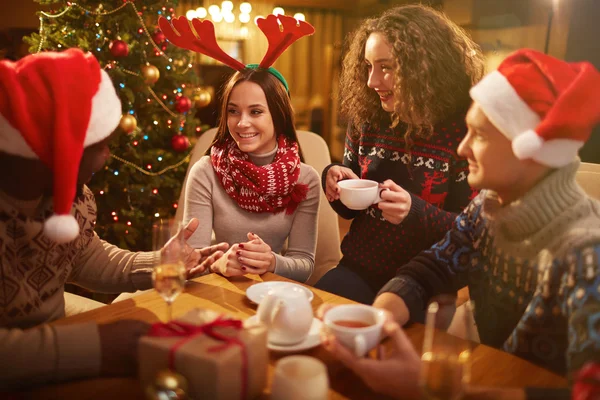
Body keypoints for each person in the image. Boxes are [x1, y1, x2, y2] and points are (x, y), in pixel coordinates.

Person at [321, 49, 600, 400]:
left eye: (479, 134)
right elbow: (430, 269)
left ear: (530, 150)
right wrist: (379, 322)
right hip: (490, 374)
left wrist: (436, 389)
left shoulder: (588, 253)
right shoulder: (488, 207)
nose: (463, 147)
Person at [0, 49, 227, 388]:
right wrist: (97, 347)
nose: (108, 155)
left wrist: (158, 263)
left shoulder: (74, 196)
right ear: (59, 149)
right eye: (100, 144)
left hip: (54, 338)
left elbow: (84, 258)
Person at [315, 4, 484, 303]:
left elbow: (472, 232)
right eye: (368, 66)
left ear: (425, 67)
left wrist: (414, 213)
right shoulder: (366, 117)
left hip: (425, 280)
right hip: (358, 268)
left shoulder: (462, 129)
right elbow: (350, 208)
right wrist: (334, 179)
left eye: (387, 67)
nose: (372, 82)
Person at [165, 15, 320, 283]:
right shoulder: (205, 172)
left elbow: (304, 264)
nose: (242, 123)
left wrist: (272, 261)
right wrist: (217, 264)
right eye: (233, 111)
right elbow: (193, 258)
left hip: (272, 296)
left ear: (279, 115)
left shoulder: (306, 180)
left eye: (256, 111)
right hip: (217, 291)